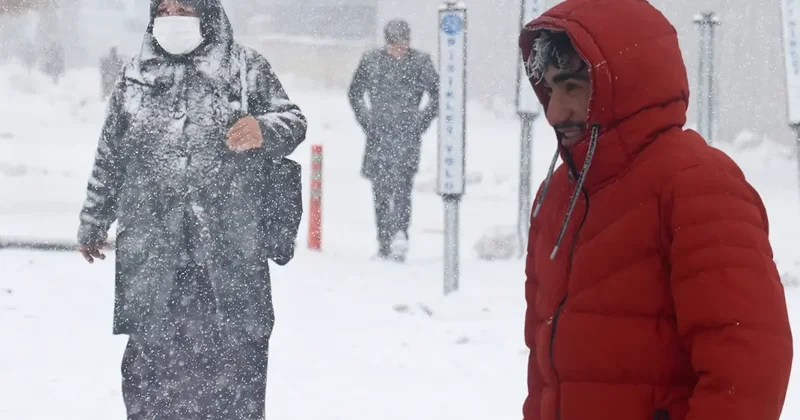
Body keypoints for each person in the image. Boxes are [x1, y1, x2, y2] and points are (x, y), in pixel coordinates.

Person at [517, 1, 793, 419]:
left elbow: (747, 367)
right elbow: (545, 372)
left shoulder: (697, 184)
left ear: (624, 84)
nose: (555, 111)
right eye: (551, 89)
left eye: (573, 87)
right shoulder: (557, 196)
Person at [76, 0, 307, 418]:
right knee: (152, 388)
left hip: (229, 262)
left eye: (184, 7)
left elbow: (292, 120)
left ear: (209, 14)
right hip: (154, 264)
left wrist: (262, 129)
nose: (173, 17)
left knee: (232, 386)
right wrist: (93, 218)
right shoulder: (134, 76)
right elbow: (110, 154)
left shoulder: (244, 68)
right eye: (163, 9)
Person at [348, 19, 439, 262]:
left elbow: (437, 94)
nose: (400, 49)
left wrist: (420, 122)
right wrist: (367, 121)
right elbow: (355, 92)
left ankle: (400, 235)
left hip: (408, 136)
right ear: (387, 43)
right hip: (378, 136)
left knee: (402, 187)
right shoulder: (372, 61)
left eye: (404, 44)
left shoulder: (420, 63)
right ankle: (384, 242)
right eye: (396, 45)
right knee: (379, 191)